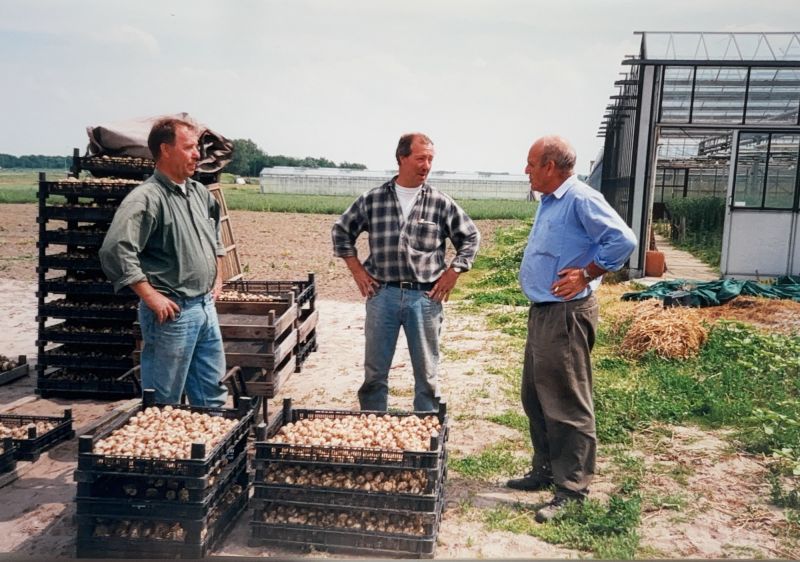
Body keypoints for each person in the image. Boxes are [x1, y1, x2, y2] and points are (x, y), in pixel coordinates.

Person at [507, 136, 636, 522]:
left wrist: (588, 272)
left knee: (566, 402)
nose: (526, 170)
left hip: (566, 314)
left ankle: (572, 490)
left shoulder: (580, 198)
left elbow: (623, 239)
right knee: (536, 396)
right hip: (545, 312)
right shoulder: (551, 201)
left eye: (531, 163)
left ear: (550, 166)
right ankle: (545, 470)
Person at [331, 133, 480, 412]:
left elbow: (470, 237)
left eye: (430, 159)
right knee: (374, 373)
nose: (426, 165)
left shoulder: (439, 202)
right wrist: (358, 272)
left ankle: (425, 431)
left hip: (424, 298)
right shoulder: (373, 200)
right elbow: (341, 231)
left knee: (427, 374)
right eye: (420, 158)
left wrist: (454, 271)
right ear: (402, 158)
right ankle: (373, 424)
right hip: (382, 295)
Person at [99, 117, 228, 407]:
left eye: (197, 147)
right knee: (164, 398)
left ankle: (211, 447)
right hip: (172, 313)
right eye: (189, 147)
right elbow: (115, 249)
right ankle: (162, 451)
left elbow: (214, 236)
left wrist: (217, 277)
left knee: (212, 391)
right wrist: (150, 296)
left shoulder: (199, 194)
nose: (198, 154)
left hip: (205, 307)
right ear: (165, 150)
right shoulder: (146, 199)